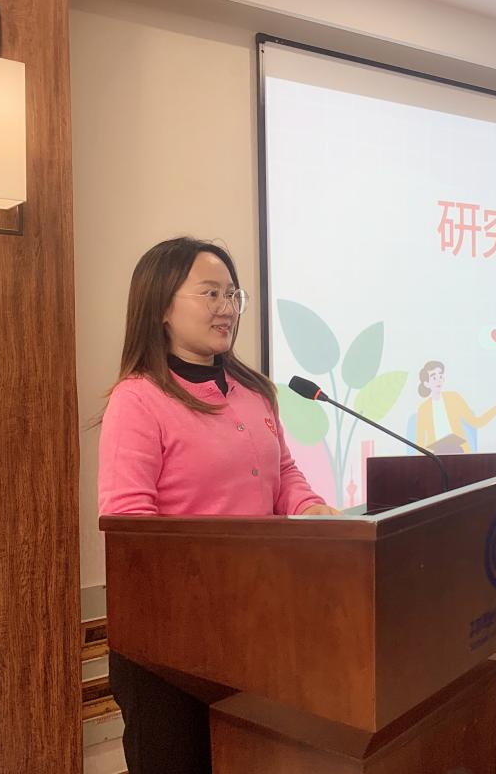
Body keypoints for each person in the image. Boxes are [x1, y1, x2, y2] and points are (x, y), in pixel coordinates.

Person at [98, 237, 336, 774]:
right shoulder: (138, 399)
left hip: (254, 623)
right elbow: (130, 529)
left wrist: (310, 508)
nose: (227, 307)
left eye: (233, 294)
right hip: (168, 641)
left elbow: (284, 475)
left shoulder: (254, 392)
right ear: (161, 306)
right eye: (210, 293)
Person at [414, 360, 496, 452]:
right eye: (434, 378)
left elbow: (476, 422)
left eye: (440, 376)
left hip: (458, 450)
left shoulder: (454, 398)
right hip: (435, 455)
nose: (439, 380)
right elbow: (420, 442)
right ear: (426, 384)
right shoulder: (423, 409)